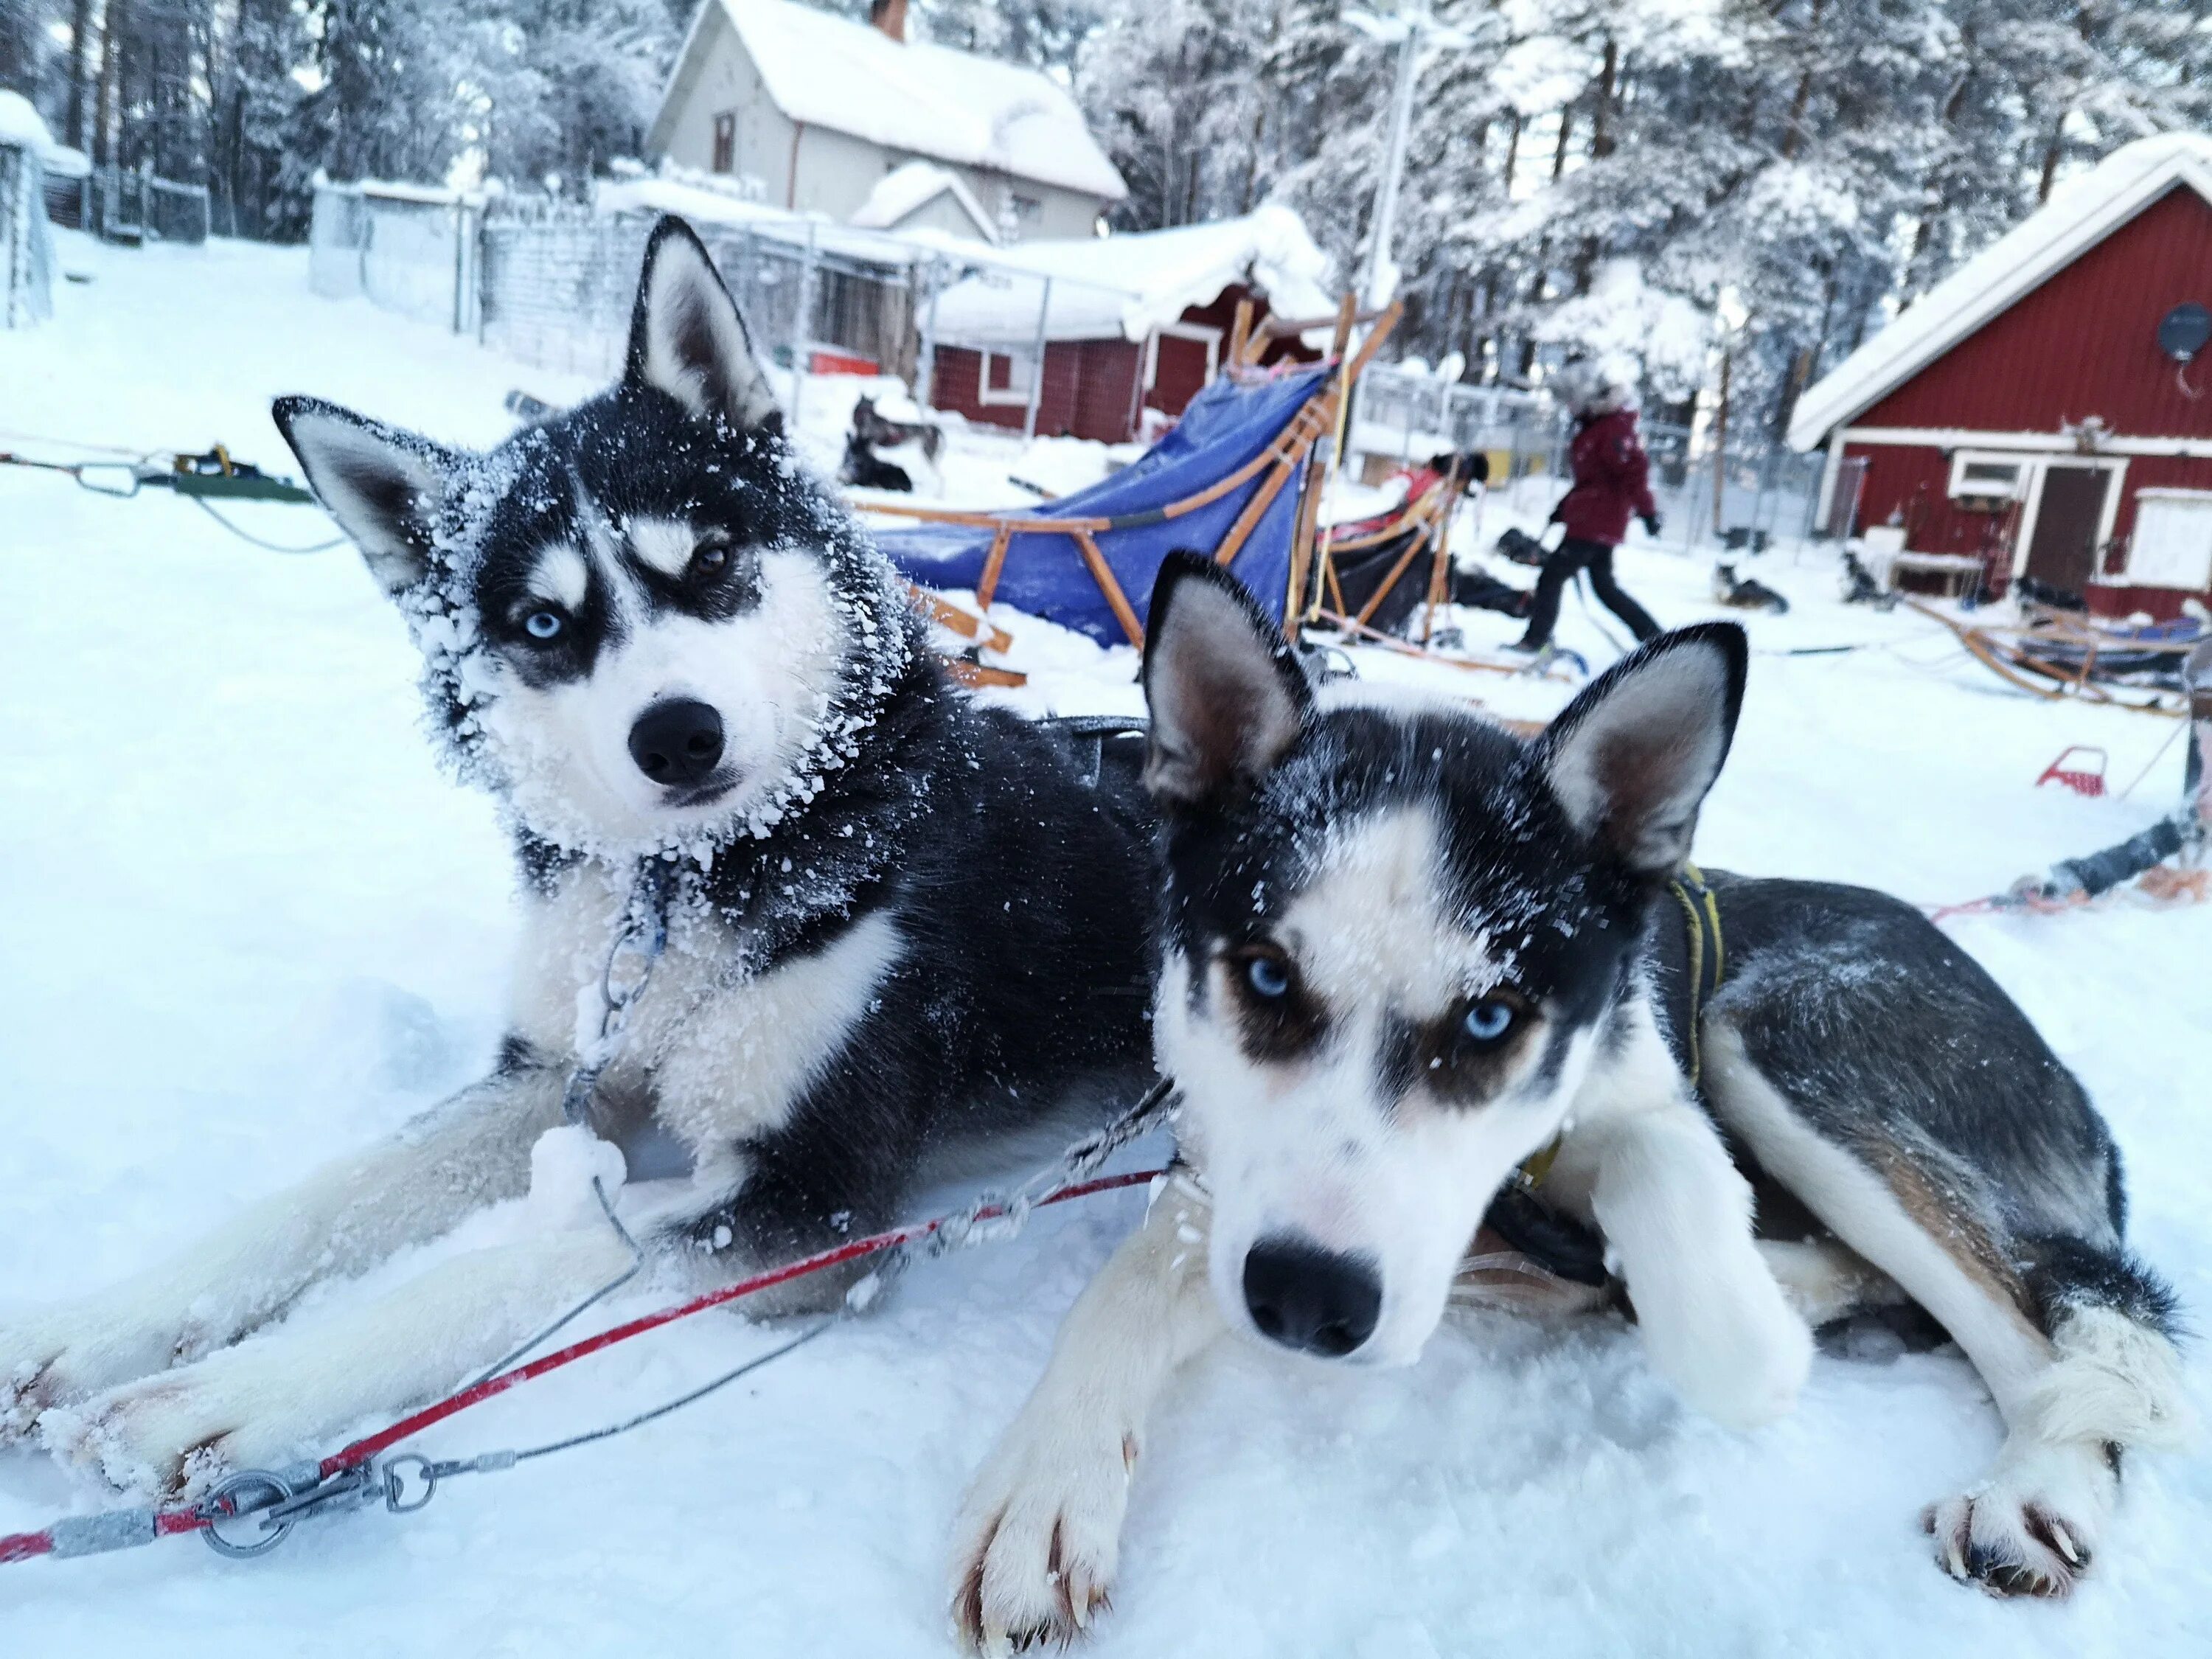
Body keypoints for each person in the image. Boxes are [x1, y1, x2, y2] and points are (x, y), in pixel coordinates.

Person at [1514, 361, 1663, 653]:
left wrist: (1648, 512)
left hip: (1596, 522)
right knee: (1605, 589)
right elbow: (1593, 480)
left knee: (1552, 577)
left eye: (1571, 401)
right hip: (1591, 518)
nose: (1569, 408)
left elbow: (1633, 471)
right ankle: (1656, 639)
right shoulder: (1598, 427)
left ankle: (1536, 639)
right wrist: (1564, 507)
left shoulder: (1613, 430)